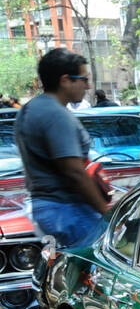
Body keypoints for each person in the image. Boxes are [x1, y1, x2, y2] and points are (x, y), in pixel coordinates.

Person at [12, 48, 110, 248]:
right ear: (65, 80)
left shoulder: (29, 109)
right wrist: (106, 213)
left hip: (49, 209)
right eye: (83, 79)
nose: (88, 85)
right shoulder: (56, 115)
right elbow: (74, 171)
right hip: (69, 210)